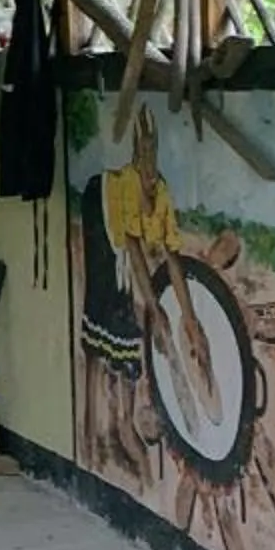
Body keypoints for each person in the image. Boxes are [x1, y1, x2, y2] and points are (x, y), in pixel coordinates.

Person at [79, 103, 186, 473]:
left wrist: (189, 319)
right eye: (143, 152)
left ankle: (121, 423)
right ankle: (96, 428)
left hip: (123, 251)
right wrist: (156, 311)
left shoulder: (161, 189)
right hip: (101, 222)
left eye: (152, 153)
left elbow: (171, 255)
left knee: (125, 328)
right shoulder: (122, 186)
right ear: (135, 154)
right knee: (106, 319)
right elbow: (133, 249)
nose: (149, 161)